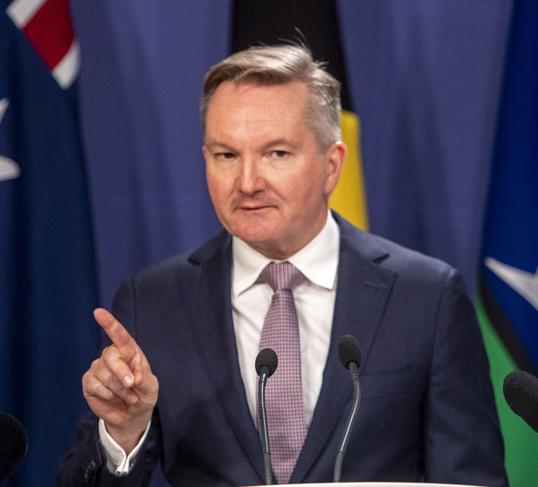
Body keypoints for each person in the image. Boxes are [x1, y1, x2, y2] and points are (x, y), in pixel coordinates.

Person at [57, 45, 507, 487]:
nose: (248, 182)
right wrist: (123, 431)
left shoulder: (426, 297)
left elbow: (471, 478)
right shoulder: (153, 300)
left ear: (332, 166)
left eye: (277, 154)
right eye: (226, 155)